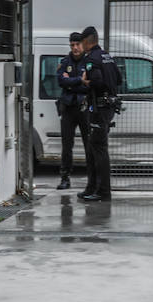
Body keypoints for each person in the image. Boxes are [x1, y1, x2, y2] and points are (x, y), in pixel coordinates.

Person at [77, 25, 122, 202]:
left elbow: (96, 81)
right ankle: (92, 188)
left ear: (88, 41)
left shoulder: (92, 59)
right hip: (107, 107)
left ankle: (103, 191)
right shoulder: (107, 56)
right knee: (94, 148)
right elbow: (118, 79)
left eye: (81, 41)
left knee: (99, 150)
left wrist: (85, 82)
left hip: (99, 109)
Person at [54, 32, 90, 191]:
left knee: (89, 144)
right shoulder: (65, 62)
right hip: (68, 109)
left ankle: (92, 178)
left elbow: (89, 84)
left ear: (83, 44)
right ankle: (65, 178)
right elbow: (61, 80)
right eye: (72, 45)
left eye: (77, 45)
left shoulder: (89, 62)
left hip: (84, 108)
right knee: (66, 145)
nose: (75, 48)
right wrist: (79, 80)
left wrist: (72, 82)